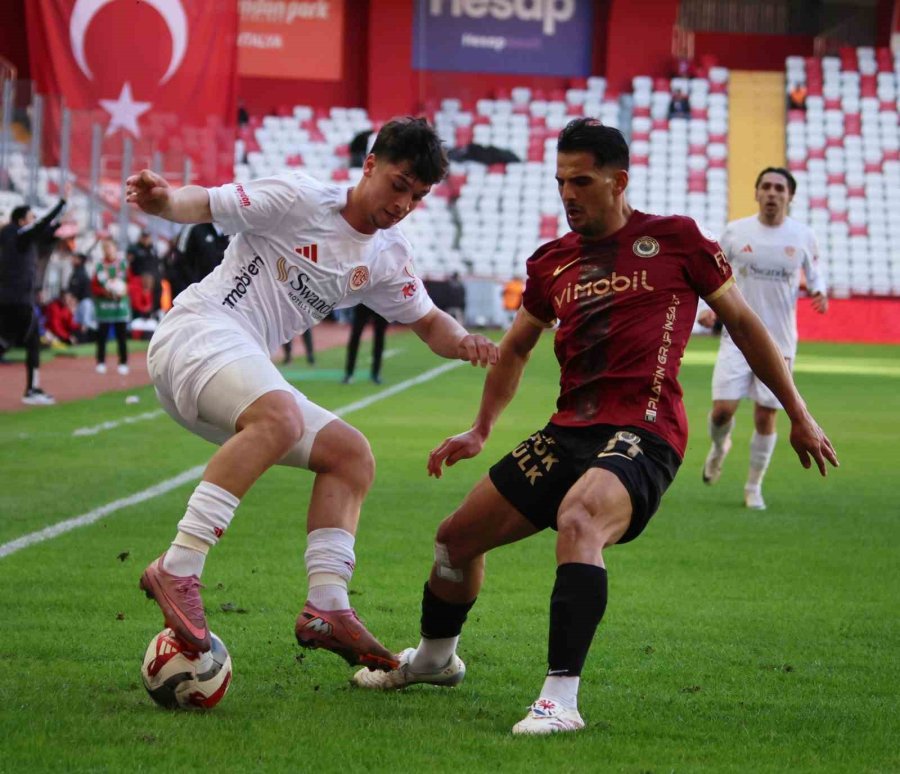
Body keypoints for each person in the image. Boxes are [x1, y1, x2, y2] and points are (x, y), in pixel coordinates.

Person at [351, 119, 838, 734]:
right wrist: (480, 429)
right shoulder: (552, 262)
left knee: (580, 517)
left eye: (581, 181)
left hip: (647, 430)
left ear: (619, 181)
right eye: (561, 182)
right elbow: (516, 348)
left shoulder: (678, 240)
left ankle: (561, 701)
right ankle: (434, 660)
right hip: (568, 432)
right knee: (454, 541)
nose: (568, 194)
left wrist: (798, 413)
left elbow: (742, 323)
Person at [125, 117, 499, 672]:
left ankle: (327, 604)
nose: (403, 204)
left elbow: (428, 322)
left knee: (351, 455)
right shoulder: (298, 197)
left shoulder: (386, 254)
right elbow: (204, 202)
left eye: (418, 196)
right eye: (399, 185)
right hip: (197, 333)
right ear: (369, 165)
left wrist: (464, 341)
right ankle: (178, 566)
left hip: (235, 367)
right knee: (282, 417)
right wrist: (164, 202)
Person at [701, 167, 827, 510]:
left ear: (790, 196)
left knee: (765, 416)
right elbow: (713, 272)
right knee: (721, 412)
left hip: (780, 340)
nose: (772, 193)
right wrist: (709, 308)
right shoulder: (735, 231)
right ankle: (719, 447)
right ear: (757, 193)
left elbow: (816, 273)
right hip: (737, 336)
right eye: (766, 187)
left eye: (779, 188)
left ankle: (753, 487)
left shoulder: (803, 236)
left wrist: (819, 291)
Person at [0, 199, 66, 405]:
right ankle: (31, 390)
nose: (34, 220)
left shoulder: (15, 237)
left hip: (15, 299)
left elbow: (43, 230)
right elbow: (40, 226)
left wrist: (58, 221)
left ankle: (33, 389)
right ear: (21, 221)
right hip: (18, 300)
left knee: (25, 340)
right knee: (12, 341)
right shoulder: (18, 236)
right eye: (30, 217)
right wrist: (61, 203)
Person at [92, 237, 131, 375]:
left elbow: (131, 282)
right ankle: (101, 362)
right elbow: (94, 286)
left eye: (110, 247)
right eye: (105, 248)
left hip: (120, 308)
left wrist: (125, 290)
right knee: (102, 336)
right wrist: (104, 292)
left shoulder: (123, 265)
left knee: (122, 337)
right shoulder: (99, 266)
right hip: (104, 307)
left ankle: (123, 362)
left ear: (115, 248)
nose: (108, 250)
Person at [165, 221, 230, 300]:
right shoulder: (193, 228)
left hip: (222, 296)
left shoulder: (234, 229)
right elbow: (179, 263)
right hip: (194, 295)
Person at [342, 304, 388, 384]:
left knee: (379, 337)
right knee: (355, 335)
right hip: (364, 302)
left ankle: (376, 374)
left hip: (381, 303)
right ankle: (349, 373)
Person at [127, 229, 161, 313]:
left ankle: (156, 310)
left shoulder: (153, 250)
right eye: (144, 237)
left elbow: (156, 264)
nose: (145, 239)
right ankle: (142, 311)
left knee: (160, 284)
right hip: (139, 277)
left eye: (147, 237)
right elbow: (130, 264)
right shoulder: (135, 249)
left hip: (154, 277)